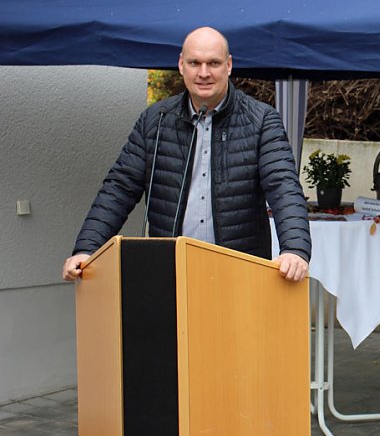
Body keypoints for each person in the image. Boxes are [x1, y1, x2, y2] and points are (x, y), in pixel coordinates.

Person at [62, 26, 310, 282]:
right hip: (171, 271)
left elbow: (283, 186)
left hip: (238, 274)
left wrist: (295, 249)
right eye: (195, 63)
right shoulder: (155, 120)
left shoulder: (260, 120)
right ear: (182, 65)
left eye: (213, 63)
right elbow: (120, 187)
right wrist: (87, 248)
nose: (204, 73)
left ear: (229, 65)